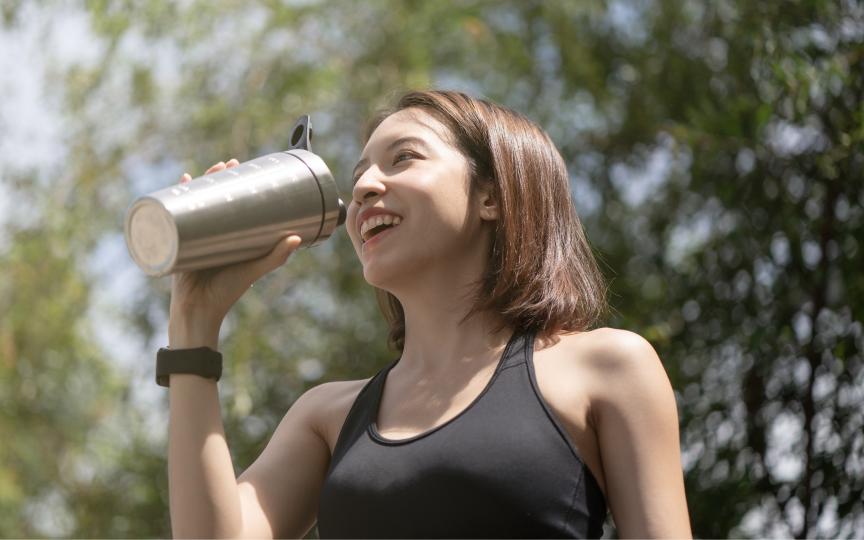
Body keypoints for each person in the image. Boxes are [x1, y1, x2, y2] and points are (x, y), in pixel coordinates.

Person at [164, 90, 692, 538]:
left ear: (492, 196)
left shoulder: (606, 368)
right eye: (360, 174)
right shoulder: (326, 418)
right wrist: (193, 319)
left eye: (404, 159)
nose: (366, 187)